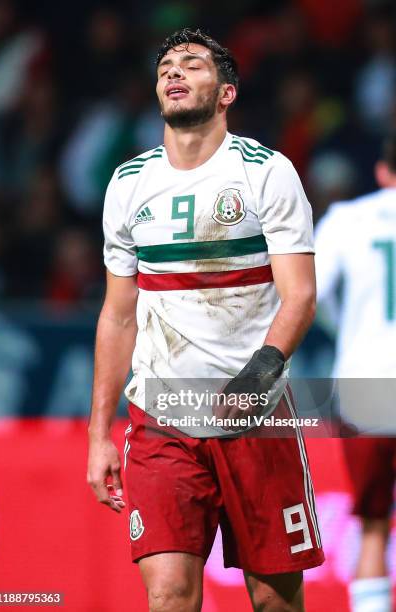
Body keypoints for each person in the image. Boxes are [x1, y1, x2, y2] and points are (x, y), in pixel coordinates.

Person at [87, 28, 324, 612]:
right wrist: (98, 434)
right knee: (169, 594)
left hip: (256, 419)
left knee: (274, 599)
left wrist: (257, 377)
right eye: (167, 65)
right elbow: (119, 316)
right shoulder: (128, 184)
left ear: (226, 93)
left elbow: (300, 296)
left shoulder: (267, 173)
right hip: (162, 421)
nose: (174, 73)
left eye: (192, 65)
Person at [315, 133, 396, 612]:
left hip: (366, 383)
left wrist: (346, 328)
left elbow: (311, 295)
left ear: (383, 171)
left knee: (372, 525)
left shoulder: (347, 220)